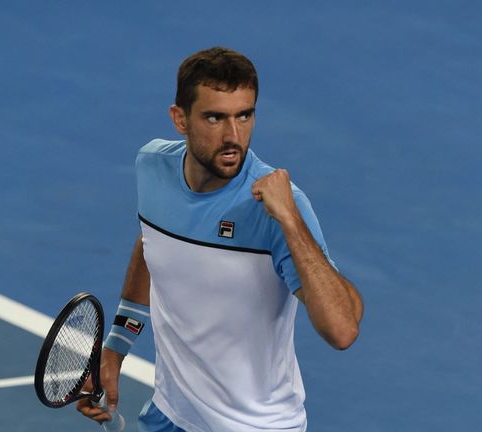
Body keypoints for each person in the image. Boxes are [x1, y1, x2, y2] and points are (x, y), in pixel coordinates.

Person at [77, 47, 363, 432]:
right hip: (169, 415)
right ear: (180, 119)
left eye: (244, 116)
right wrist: (115, 348)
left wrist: (291, 222)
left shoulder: (279, 206)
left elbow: (343, 330)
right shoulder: (152, 167)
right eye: (215, 117)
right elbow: (152, 244)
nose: (233, 136)